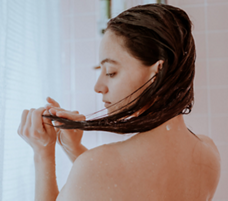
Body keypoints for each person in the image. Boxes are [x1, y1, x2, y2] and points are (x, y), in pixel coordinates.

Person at [17, 4, 221, 201]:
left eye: (111, 72)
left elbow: (110, 180)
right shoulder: (209, 153)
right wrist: (74, 148)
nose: (98, 86)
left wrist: (43, 154)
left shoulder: (98, 165)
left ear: (157, 72)